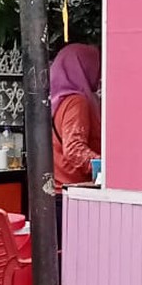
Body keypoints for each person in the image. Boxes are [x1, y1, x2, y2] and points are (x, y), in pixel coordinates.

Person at [50, 42, 101, 190]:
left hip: (61, 186)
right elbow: (74, 149)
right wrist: (106, 167)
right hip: (74, 190)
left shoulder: (59, 100)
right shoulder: (76, 102)